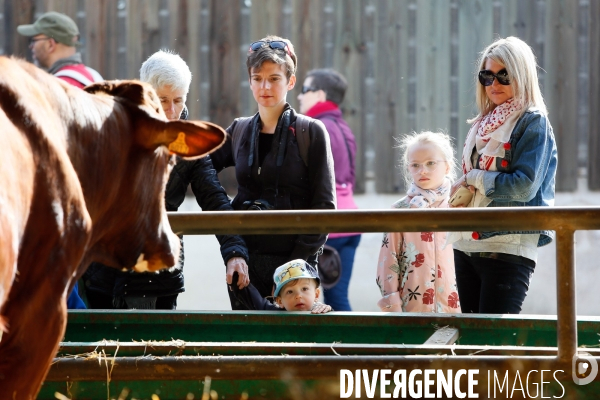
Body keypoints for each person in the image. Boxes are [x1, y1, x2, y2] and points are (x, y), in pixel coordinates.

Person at [82, 50, 250, 310]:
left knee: (156, 347)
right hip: (104, 269)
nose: (171, 111)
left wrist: (235, 252)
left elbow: (215, 198)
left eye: (178, 100)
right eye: (162, 100)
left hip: (159, 271)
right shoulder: (110, 130)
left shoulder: (189, 143)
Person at [211, 36, 336, 308]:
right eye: (257, 78)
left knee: (295, 344)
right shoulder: (239, 130)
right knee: (249, 343)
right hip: (245, 261)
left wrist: (293, 270)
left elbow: (325, 206)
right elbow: (200, 170)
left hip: (296, 266)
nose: (265, 86)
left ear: (290, 82)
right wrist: (231, 239)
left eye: (274, 78)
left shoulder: (310, 131)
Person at [448, 36, 557, 314]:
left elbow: (523, 187)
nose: (493, 84)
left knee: (495, 345)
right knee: (472, 343)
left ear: (521, 76)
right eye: (487, 76)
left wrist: (473, 178)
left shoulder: (533, 121)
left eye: (503, 76)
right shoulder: (483, 122)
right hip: (466, 243)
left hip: (507, 246)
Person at [18, 11, 104, 310]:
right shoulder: (93, 78)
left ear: (51, 43)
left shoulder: (55, 86)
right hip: (95, 201)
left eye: (36, 39)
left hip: (64, 205)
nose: (31, 46)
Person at [376, 131, 461, 313]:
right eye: (415, 165)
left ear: (447, 166)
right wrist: (393, 306)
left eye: (431, 163)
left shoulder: (460, 206)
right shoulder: (400, 211)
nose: (423, 170)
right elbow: (388, 260)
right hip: (412, 308)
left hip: (455, 307)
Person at [297, 68, 360, 311]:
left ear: (320, 94)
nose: (300, 97)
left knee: (332, 301)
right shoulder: (343, 127)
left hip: (329, 229)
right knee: (336, 297)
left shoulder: (315, 128)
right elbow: (349, 178)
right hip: (350, 223)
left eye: (304, 90)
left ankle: (349, 349)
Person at [17, 11, 102, 88]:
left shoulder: (60, 87)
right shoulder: (94, 77)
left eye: (33, 41)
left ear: (50, 45)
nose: (31, 46)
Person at [228, 260, 332, 313]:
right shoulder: (274, 313)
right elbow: (253, 299)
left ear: (316, 294)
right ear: (279, 301)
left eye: (304, 289)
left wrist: (328, 311)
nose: (298, 296)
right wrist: (236, 278)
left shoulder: (319, 312)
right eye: (290, 292)